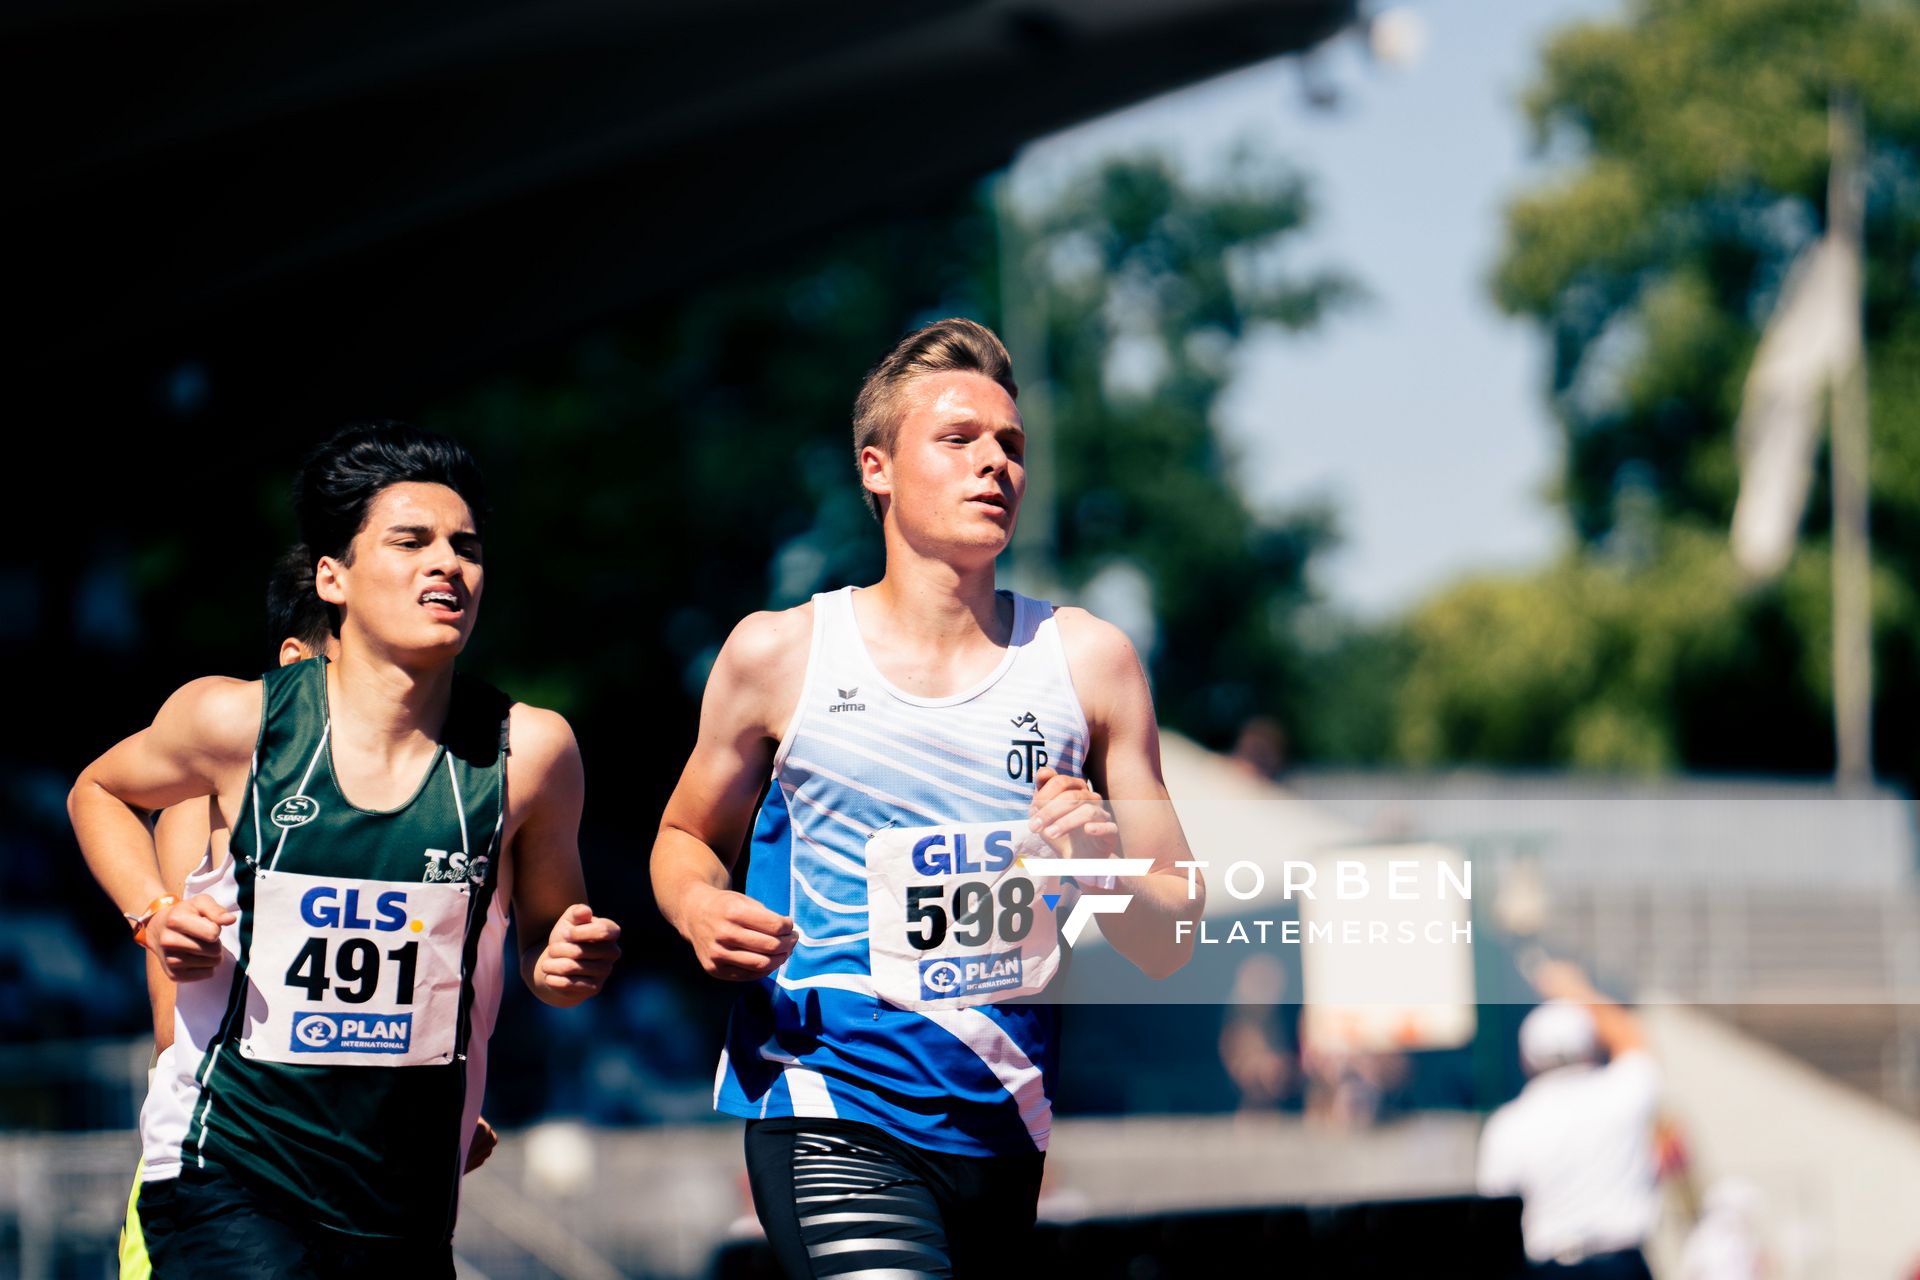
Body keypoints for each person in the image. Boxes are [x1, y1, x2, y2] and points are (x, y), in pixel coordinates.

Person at [651, 318, 1204, 1277]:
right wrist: (700, 905)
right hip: (827, 1104)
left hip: (1003, 1126)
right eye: (960, 440)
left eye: (1013, 446)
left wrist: (1103, 865)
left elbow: (1172, 935)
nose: (996, 464)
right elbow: (682, 836)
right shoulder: (780, 656)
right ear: (877, 469)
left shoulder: (1089, 663)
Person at [71, 422, 620, 1278]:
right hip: (232, 1169)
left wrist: (566, 963)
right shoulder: (236, 722)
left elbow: (552, 934)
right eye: (412, 541)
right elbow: (98, 790)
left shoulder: (531, 754)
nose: (448, 564)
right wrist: (154, 912)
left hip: (402, 1193)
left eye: (466, 546)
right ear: (333, 576)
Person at [116, 545, 504, 1280]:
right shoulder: (207, 801)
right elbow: (177, 1028)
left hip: (380, 1192)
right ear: (298, 658)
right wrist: (154, 913)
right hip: (220, 1191)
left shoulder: (462, 792)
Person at [1477, 960, 1661, 1279]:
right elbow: (1631, 1038)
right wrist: (1575, 990)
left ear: (1527, 1060)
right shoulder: (1620, 1094)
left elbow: (1496, 1203)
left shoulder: (1509, 1124)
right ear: (1591, 1045)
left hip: (1552, 1268)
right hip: (1622, 1266)